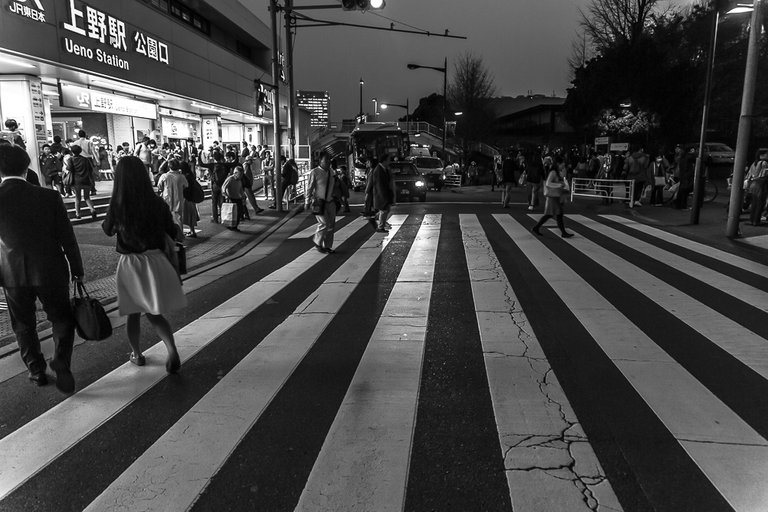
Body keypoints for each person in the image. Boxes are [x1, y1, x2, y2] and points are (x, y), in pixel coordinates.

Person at [0, 144, 83, 393]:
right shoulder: (49, 197)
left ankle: (36, 371)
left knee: (23, 324)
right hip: (50, 269)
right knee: (62, 318)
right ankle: (60, 359)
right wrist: (77, 269)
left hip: (12, 272)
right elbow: (67, 237)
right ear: (27, 168)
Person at [102, 156, 185, 372]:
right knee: (154, 312)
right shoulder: (156, 202)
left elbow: (107, 229)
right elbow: (170, 229)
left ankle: (137, 354)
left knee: (132, 313)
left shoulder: (118, 204)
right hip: (156, 260)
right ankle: (171, 349)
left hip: (131, 264)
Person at [305, 152, 340, 252]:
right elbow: (309, 188)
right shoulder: (315, 172)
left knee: (331, 226)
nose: (328, 162)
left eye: (329, 160)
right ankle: (318, 242)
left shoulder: (332, 172)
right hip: (319, 203)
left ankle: (327, 246)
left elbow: (335, 186)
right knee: (324, 223)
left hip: (331, 202)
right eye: (326, 160)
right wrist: (307, 201)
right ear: (320, 161)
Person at [531, 158, 574, 238]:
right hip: (552, 197)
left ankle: (537, 228)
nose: (563, 167)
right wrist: (559, 185)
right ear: (558, 164)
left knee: (555, 214)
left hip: (555, 196)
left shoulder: (555, 172)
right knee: (553, 214)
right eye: (562, 165)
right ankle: (563, 232)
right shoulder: (553, 172)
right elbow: (548, 183)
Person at [157, 159, 188, 239]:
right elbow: (186, 186)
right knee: (179, 219)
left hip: (167, 200)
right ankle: (180, 237)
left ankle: (168, 236)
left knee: (167, 218)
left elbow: (159, 187)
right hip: (179, 200)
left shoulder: (164, 176)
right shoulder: (181, 177)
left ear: (169, 166)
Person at [366, 153, 395, 233]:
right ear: (384, 160)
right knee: (384, 210)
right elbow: (379, 185)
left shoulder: (384, 169)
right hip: (381, 194)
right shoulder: (378, 170)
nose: (390, 161)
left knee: (386, 210)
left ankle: (374, 218)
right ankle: (380, 227)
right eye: (388, 160)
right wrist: (383, 196)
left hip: (385, 194)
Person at [66, 145, 96, 219]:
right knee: (87, 197)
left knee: (78, 198)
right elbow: (90, 169)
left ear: (72, 151)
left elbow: (69, 168)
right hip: (86, 180)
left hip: (77, 181)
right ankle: (92, 209)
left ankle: (78, 214)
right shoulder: (85, 159)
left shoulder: (71, 159)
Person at [745, 149, 768, 226]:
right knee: (760, 203)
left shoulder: (754, 163)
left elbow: (749, 175)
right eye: (767, 154)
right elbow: (764, 175)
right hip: (761, 185)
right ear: (762, 155)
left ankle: (752, 220)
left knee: (754, 203)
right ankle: (756, 221)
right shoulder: (764, 163)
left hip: (753, 184)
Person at [222, 166, 245, 231]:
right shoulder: (230, 179)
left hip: (238, 197)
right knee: (232, 213)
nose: (241, 176)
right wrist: (225, 195)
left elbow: (240, 189)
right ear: (235, 173)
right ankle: (231, 226)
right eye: (240, 174)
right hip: (231, 198)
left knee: (239, 213)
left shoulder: (239, 180)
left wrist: (243, 195)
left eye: (242, 174)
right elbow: (223, 187)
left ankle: (235, 226)